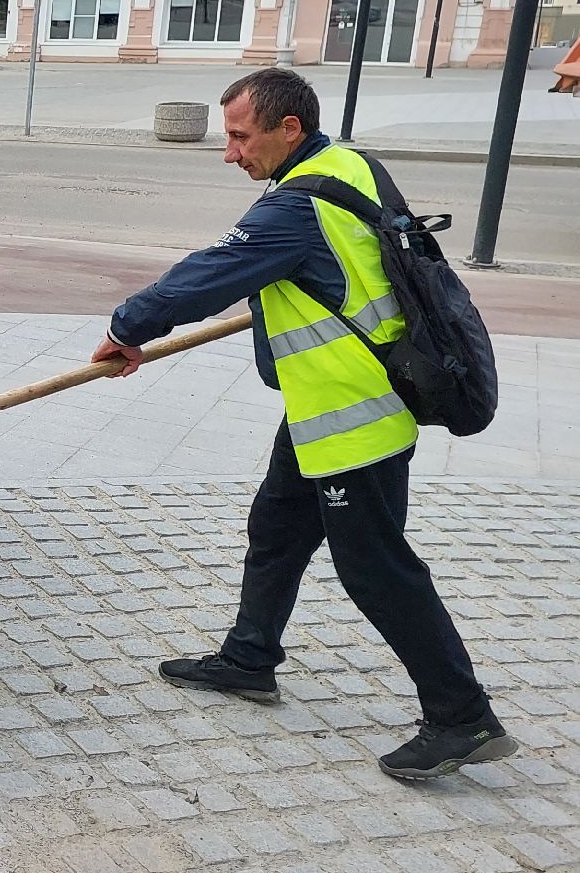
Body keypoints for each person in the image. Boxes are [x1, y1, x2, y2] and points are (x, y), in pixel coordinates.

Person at [90, 67, 515, 781]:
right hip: (324, 406)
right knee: (278, 527)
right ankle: (250, 657)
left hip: (357, 415)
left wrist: (126, 328)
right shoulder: (349, 164)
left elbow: (205, 275)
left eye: (238, 136)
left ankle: (462, 716)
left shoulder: (292, 207)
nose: (230, 153)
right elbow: (340, 267)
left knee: (377, 568)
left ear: (289, 129)